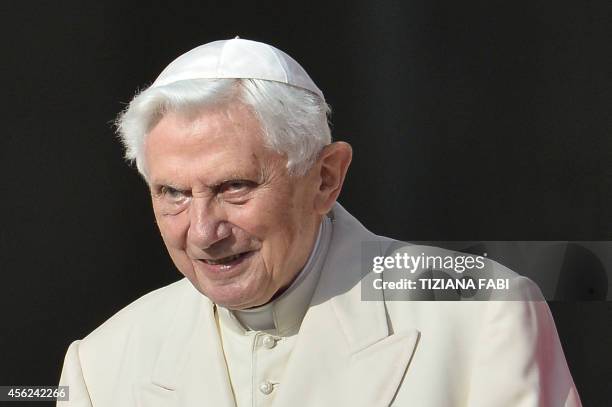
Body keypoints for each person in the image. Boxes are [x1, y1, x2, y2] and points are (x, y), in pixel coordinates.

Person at [58, 38, 582, 406]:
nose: (202, 232)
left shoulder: (482, 314)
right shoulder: (102, 363)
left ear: (325, 178)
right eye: (172, 193)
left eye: (234, 187)